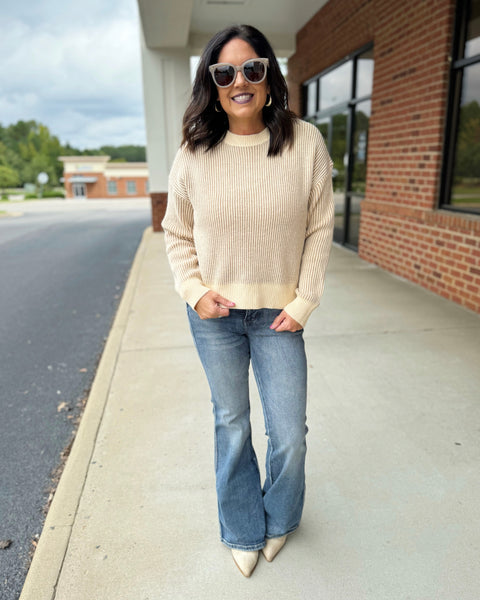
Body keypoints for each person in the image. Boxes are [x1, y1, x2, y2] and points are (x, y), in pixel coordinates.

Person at [162, 24, 334, 577]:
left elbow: (320, 227)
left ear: (269, 76)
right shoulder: (195, 152)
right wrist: (193, 292)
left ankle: (280, 518)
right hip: (215, 317)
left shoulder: (304, 142)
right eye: (225, 72)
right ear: (212, 84)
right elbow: (177, 233)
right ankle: (241, 526)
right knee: (231, 424)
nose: (240, 81)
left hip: (279, 316)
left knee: (288, 431)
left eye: (252, 69)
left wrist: (305, 300)